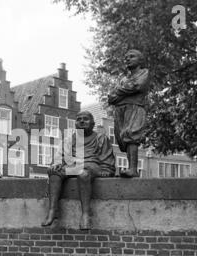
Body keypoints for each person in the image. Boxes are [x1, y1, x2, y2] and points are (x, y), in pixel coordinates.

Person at [41, 111, 116, 230]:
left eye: (85, 119)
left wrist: (106, 170)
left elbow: (106, 159)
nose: (81, 121)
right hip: (74, 166)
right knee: (55, 174)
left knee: (83, 174)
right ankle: (53, 210)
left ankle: (85, 214)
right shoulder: (70, 139)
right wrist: (57, 164)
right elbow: (60, 157)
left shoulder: (100, 138)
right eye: (79, 119)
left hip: (92, 165)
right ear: (75, 124)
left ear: (92, 124)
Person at [108, 49, 150, 178]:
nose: (127, 59)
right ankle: (129, 167)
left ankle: (133, 169)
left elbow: (137, 86)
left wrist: (119, 93)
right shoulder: (123, 78)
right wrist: (124, 93)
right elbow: (111, 98)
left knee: (131, 134)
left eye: (132, 57)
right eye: (126, 57)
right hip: (120, 110)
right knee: (122, 138)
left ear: (140, 60)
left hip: (135, 107)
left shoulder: (144, 72)